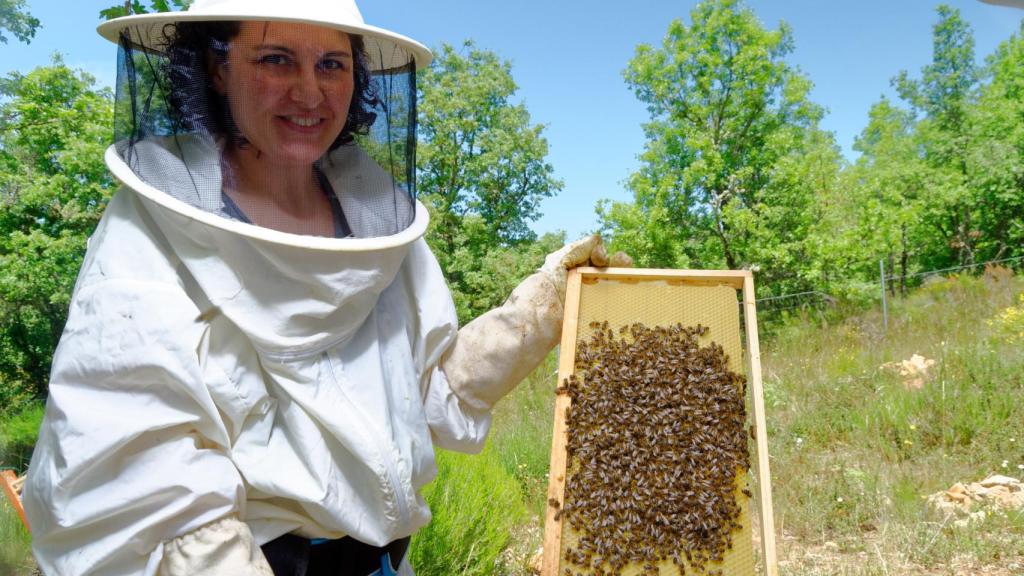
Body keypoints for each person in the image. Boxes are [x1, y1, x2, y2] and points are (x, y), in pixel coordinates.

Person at [22, 1, 630, 575]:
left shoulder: (378, 219)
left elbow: (431, 390)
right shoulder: (150, 228)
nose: (310, 92)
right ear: (216, 67)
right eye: (276, 59)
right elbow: (140, 485)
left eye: (332, 64)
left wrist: (541, 309)